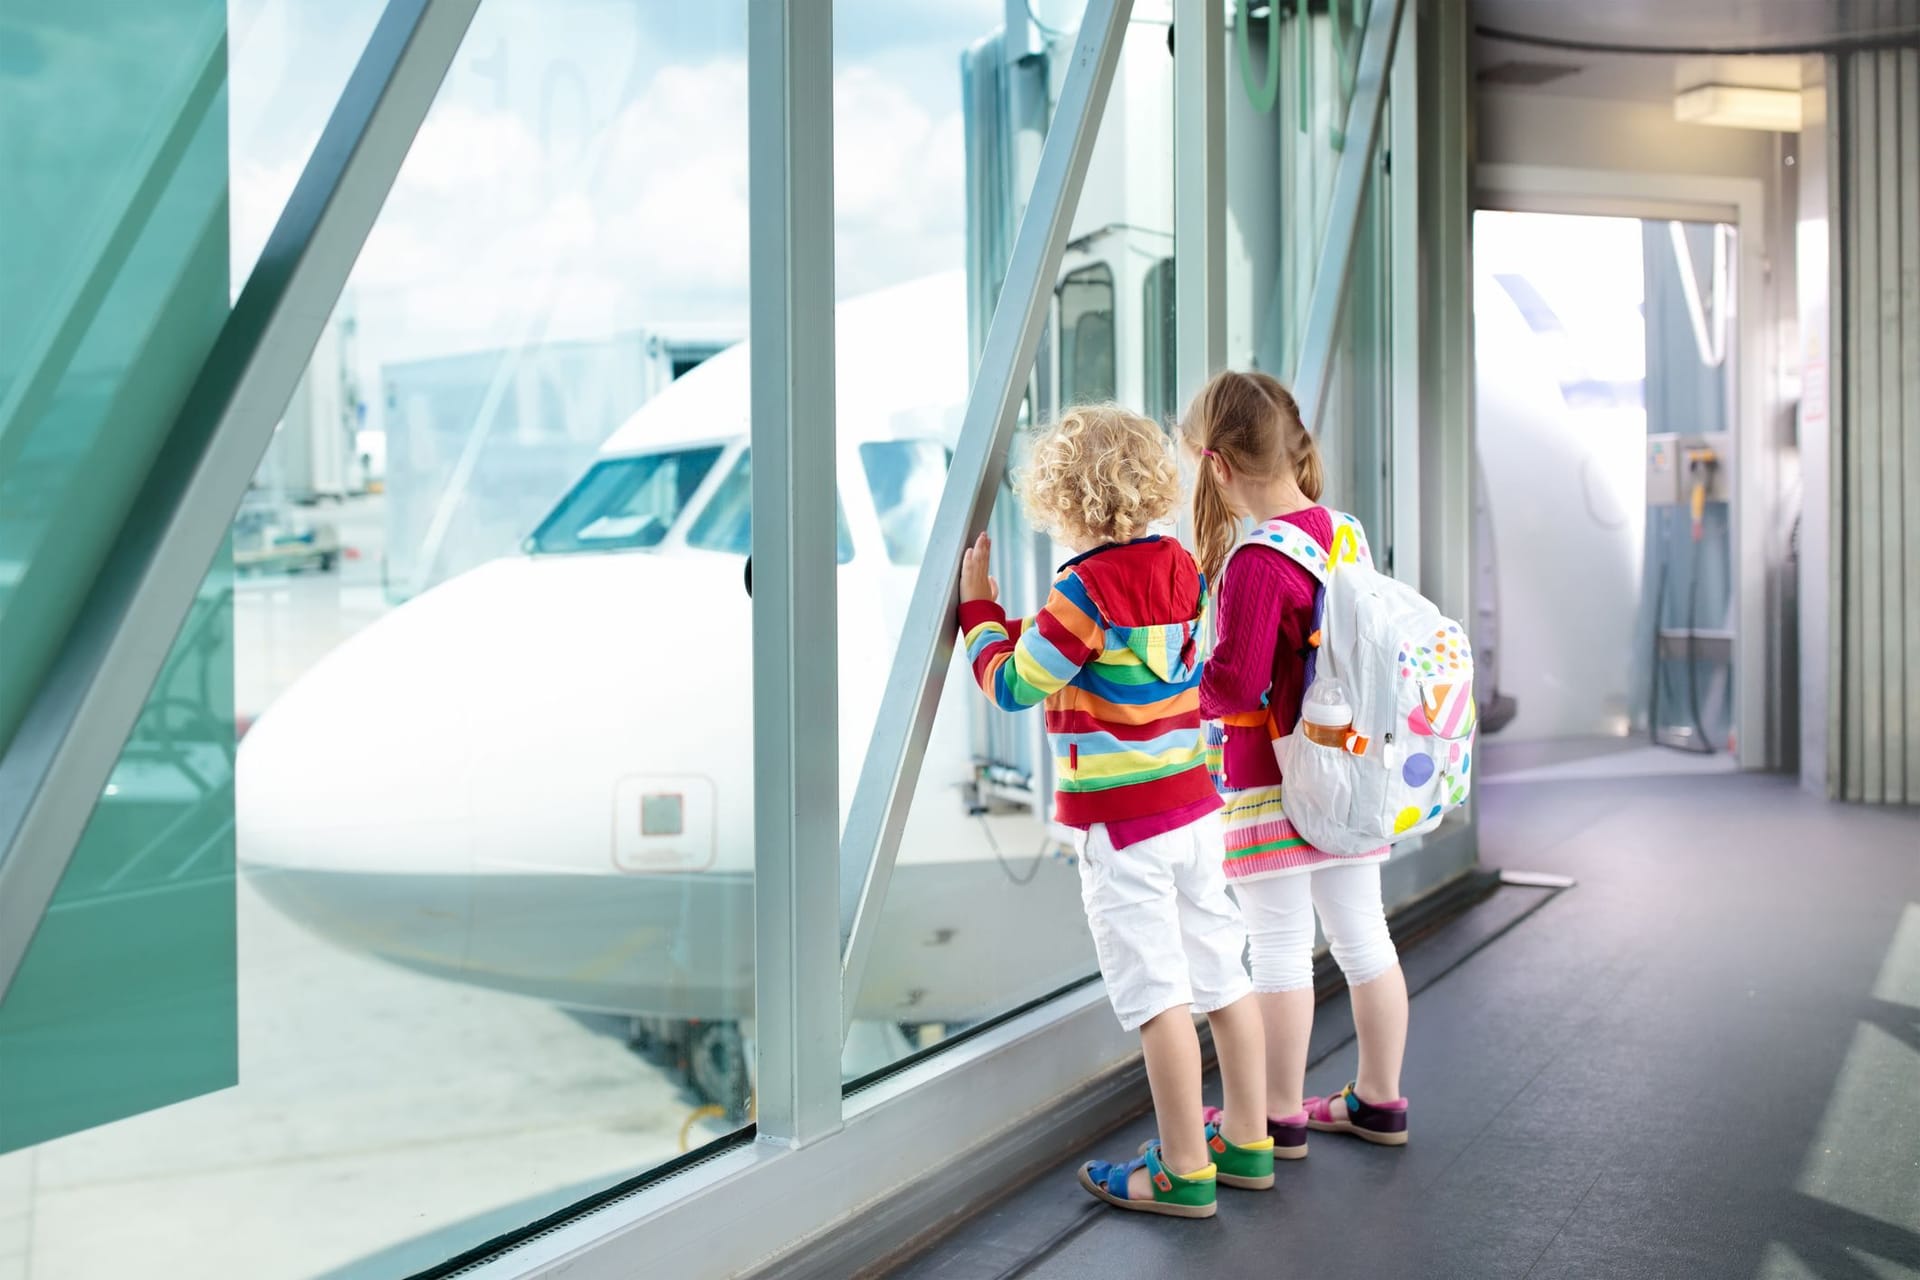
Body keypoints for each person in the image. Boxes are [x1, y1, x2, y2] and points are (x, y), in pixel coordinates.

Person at [958, 404, 1272, 1218]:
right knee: (1222, 973)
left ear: (1060, 501)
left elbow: (1015, 681)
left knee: (1157, 997)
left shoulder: (1081, 589)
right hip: (1196, 811)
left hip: (1124, 828)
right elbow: (1122, 652)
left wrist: (978, 612)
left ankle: (1182, 1171)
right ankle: (1245, 1141)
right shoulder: (1180, 565)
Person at [1183, 369, 1411, 1156]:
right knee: (1364, 938)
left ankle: (1278, 1113)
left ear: (1217, 466)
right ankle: (1378, 1100)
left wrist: (1181, 683)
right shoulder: (1341, 531)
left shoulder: (1255, 562)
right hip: (1349, 771)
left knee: (1277, 949)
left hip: (1271, 782)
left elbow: (1236, 682)